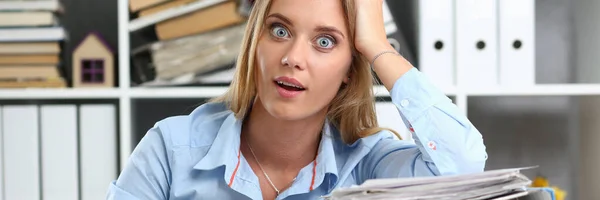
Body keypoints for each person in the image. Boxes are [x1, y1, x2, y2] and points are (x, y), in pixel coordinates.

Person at [107, 0, 488, 199]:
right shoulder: (172, 149)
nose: (292, 57)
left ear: (348, 73)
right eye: (279, 30)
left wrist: (376, 46)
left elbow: (464, 169)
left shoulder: (371, 165)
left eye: (325, 42)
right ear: (255, 43)